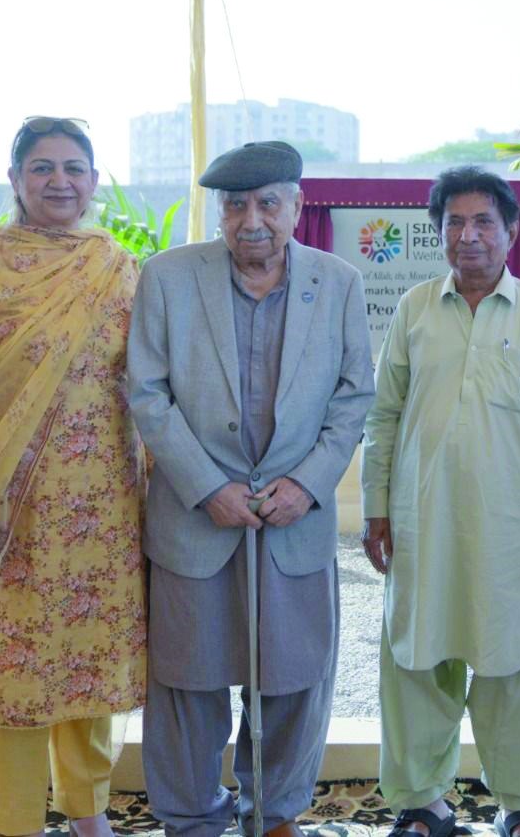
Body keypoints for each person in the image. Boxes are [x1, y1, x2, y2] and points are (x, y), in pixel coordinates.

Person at [128, 140, 374, 837]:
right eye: (236, 206)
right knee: (187, 683)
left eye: (269, 203)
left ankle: (275, 814)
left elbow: (355, 397)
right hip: (196, 521)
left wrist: (309, 482)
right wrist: (206, 487)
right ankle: (192, 819)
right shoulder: (169, 278)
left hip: (294, 521)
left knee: (294, 678)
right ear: (221, 212)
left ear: (298, 206)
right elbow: (147, 394)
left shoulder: (340, 283)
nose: (252, 221)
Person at [0, 116, 145, 837]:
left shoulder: (115, 265)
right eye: (43, 168)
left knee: (91, 651)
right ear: (15, 179)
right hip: (4, 502)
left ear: (93, 181)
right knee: (14, 666)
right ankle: (13, 820)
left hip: (100, 501)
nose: (59, 182)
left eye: (74, 168)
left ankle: (88, 813)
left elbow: (145, 381)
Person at [362, 166, 520, 837]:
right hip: (422, 524)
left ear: (511, 232)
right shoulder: (414, 310)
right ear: (438, 234)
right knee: (417, 661)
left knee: (514, 661)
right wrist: (376, 505)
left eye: (483, 222)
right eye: (454, 223)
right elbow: (384, 417)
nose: (469, 236)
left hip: (512, 530)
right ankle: (420, 801)